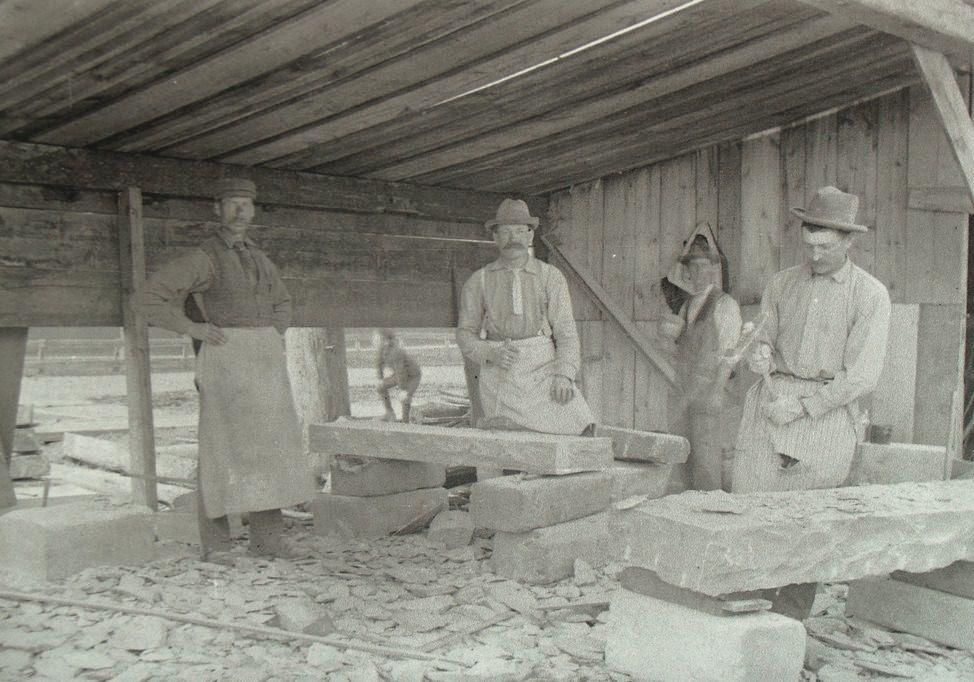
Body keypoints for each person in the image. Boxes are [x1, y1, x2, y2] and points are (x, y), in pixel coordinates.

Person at [731, 185, 891, 618]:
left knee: (806, 523)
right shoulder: (782, 283)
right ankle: (746, 615)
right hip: (771, 399)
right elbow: (761, 335)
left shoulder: (870, 295)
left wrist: (804, 407)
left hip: (826, 412)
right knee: (752, 510)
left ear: (849, 241)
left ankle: (789, 622)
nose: (815, 255)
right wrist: (759, 352)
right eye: (809, 245)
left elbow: (862, 375)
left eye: (825, 246)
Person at [137, 178, 315, 562]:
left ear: (253, 212)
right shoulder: (203, 258)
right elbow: (147, 299)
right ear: (216, 209)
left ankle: (268, 539)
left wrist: (271, 334)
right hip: (224, 359)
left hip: (262, 360)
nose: (239, 212)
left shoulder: (258, 257)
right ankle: (216, 546)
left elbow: (283, 301)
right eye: (232, 204)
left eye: (246, 205)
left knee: (269, 447)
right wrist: (194, 328)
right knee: (221, 449)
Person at [456, 198, 595, 435]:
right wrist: (490, 353)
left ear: (530, 236)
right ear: (495, 237)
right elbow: (464, 335)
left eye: (520, 231)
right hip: (501, 371)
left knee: (581, 425)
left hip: (544, 370)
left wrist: (564, 374)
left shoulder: (551, 276)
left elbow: (566, 333)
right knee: (505, 443)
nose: (513, 239)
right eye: (506, 232)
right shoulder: (478, 281)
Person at [661, 233, 742, 490]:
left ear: (712, 270)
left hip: (710, 394)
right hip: (685, 393)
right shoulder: (686, 306)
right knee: (682, 456)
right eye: (692, 267)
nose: (697, 272)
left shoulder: (725, 304)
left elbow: (731, 354)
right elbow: (680, 349)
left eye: (703, 266)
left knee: (707, 461)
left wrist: (717, 392)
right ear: (687, 271)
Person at [375, 329, 422, 422]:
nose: (374, 340)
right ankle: (390, 413)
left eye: (378, 338)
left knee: (405, 398)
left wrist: (404, 390)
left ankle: (405, 422)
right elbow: (378, 364)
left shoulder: (396, 352)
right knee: (380, 387)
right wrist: (380, 378)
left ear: (386, 341)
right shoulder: (382, 349)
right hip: (400, 374)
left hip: (413, 376)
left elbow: (401, 372)